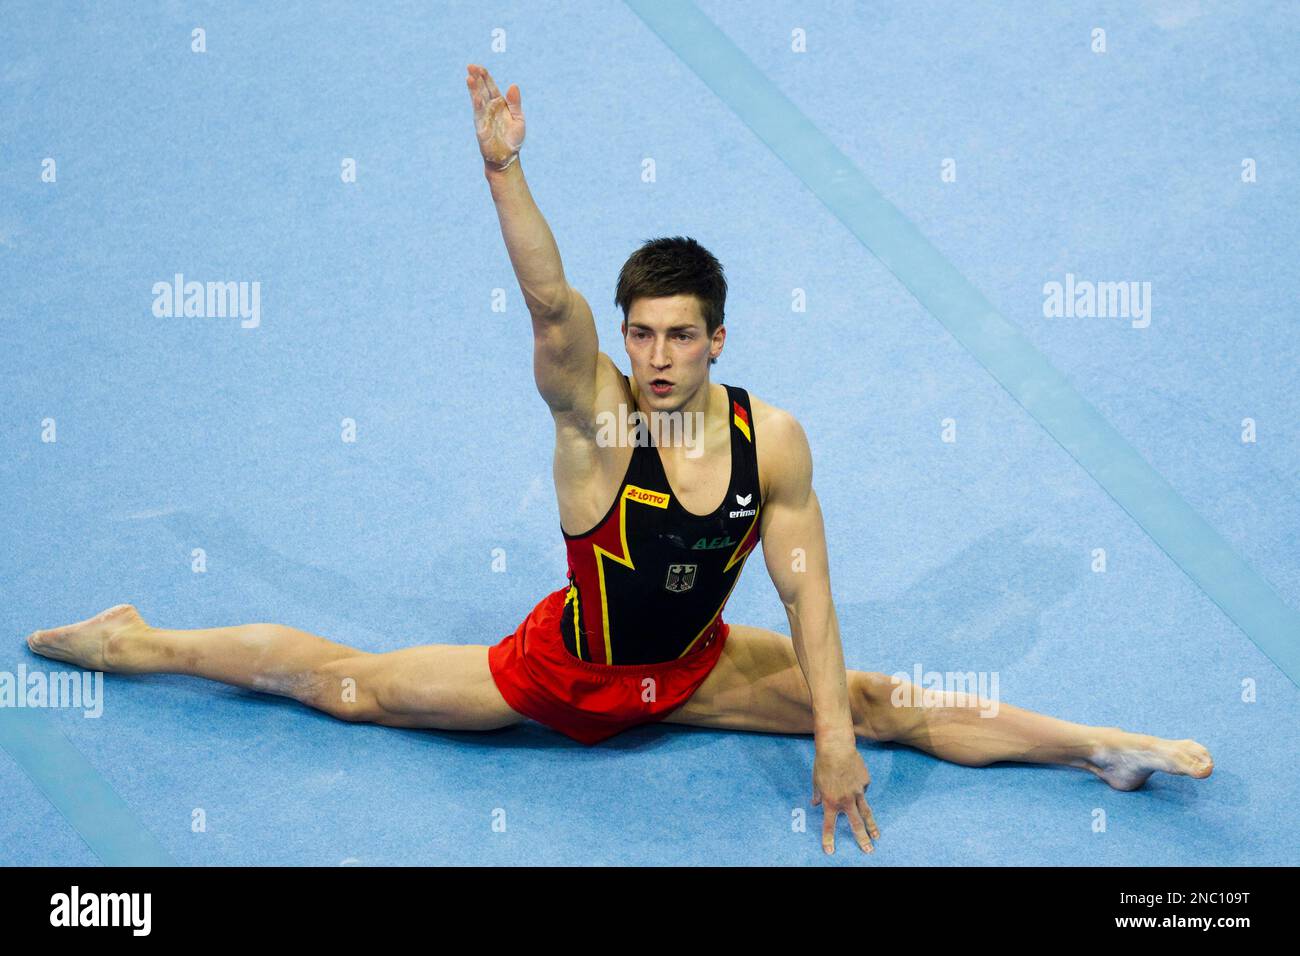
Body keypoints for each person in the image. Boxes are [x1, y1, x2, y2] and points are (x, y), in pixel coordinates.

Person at [25, 64, 1213, 856]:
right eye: (639, 333)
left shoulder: (771, 440)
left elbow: (808, 594)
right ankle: (139, 639)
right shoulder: (598, 421)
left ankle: (1103, 746)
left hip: (692, 670)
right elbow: (551, 303)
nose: (653, 357)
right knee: (351, 687)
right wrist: (504, 172)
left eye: (678, 336)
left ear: (717, 339)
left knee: (880, 702)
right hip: (563, 675)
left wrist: (833, 736)